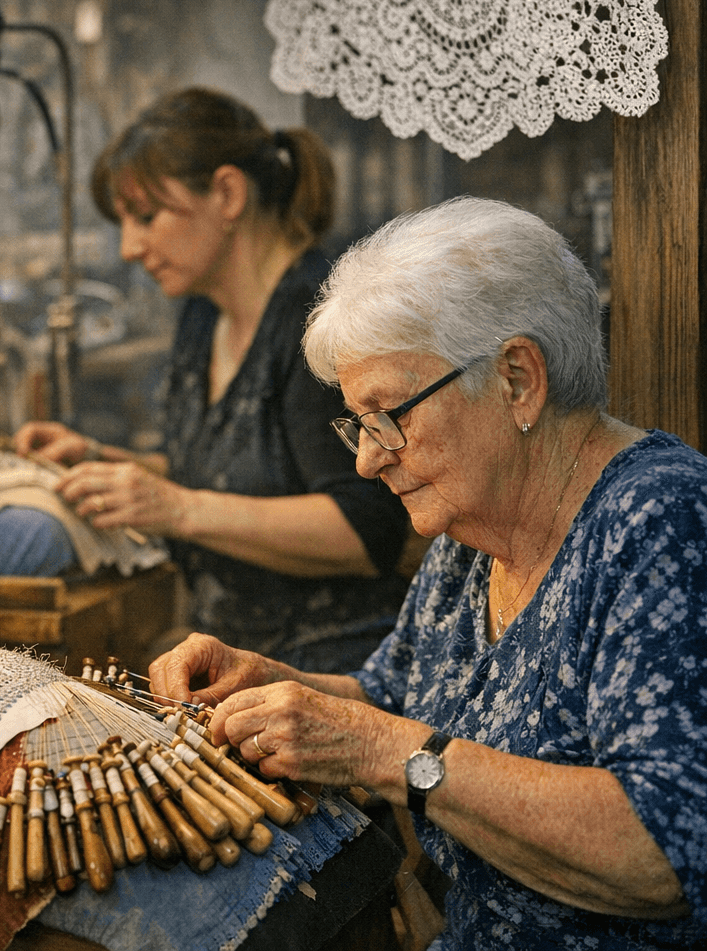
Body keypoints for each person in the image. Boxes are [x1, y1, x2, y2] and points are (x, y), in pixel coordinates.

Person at [150, 197, 705, 949]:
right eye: (358, 421)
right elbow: (389, 699)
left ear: (516, 379)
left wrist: (385, 751)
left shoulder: (663, 520)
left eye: (391, 415)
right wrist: (268, 686)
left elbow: (667, 851)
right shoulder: (469, 531)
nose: (367, 458)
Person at [13, 87, 414, 672]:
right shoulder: (203, 313)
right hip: (232, 660)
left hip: (333, 670)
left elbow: (367, 530)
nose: (129, 248)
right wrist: (104, 460)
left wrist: (175, 508)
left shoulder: (321, 321)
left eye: (147, 217)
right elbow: (232, 477)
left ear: (227, 194)